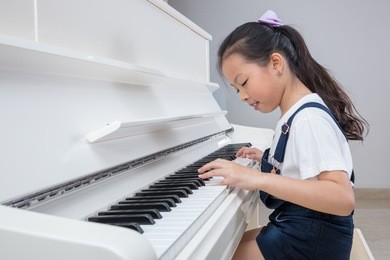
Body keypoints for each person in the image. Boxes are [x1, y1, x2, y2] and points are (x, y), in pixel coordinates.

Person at [197, 10, 368, 260]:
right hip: (298, 230)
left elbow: (341, 198)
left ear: (276, 63)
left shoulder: (308, 118)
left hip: (311, 243)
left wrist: (254, 178)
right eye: (237, 90)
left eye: (243, 82)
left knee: (214, 254)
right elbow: (301, 169)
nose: (242, 96)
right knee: (219, 248)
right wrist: (264, 157)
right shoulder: (293, 113)